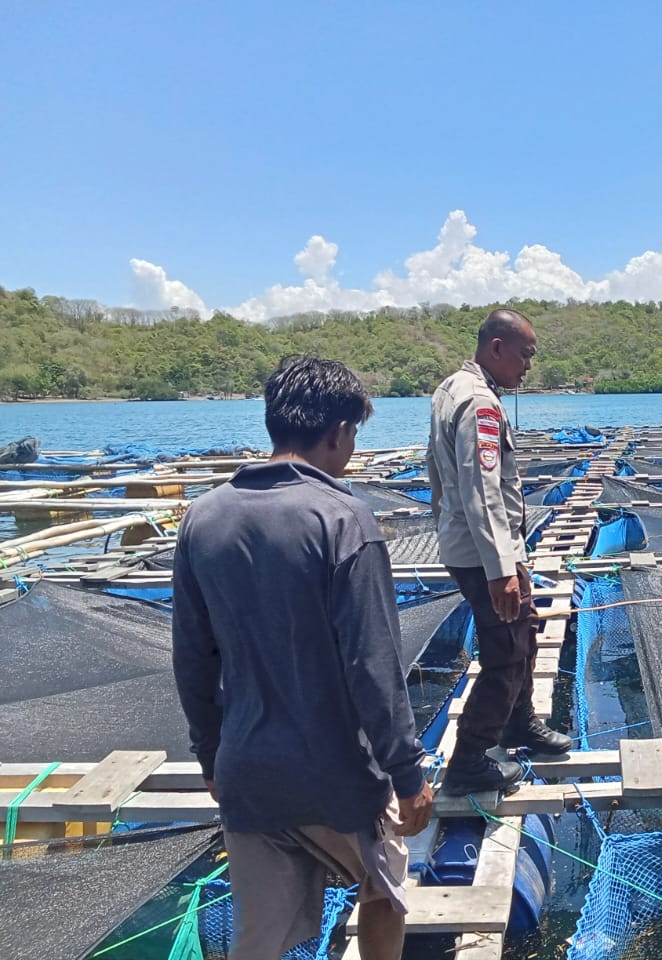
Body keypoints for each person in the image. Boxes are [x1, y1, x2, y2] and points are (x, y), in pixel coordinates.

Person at [172, 357, 435, 960]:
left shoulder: (203, 517)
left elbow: (191, 656)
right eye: (352, 437)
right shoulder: (344, 517)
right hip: (336, 775)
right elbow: (373, 665)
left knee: (259, 940)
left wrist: (211, 756)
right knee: (384, 893)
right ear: (339, 431)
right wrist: (407, 772)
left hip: (247, 772)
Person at [428, 308, 573, 795]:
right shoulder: (478, 403)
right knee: (506, 653)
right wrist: (501, 570)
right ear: (496, 348)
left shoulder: (452, 388)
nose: (528, 366)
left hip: (481, 548)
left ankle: (517, 722)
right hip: (485, 554)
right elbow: (482, 490)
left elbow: (439, 479)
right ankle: (470, 755)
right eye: (525, 355)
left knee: (524, 634)